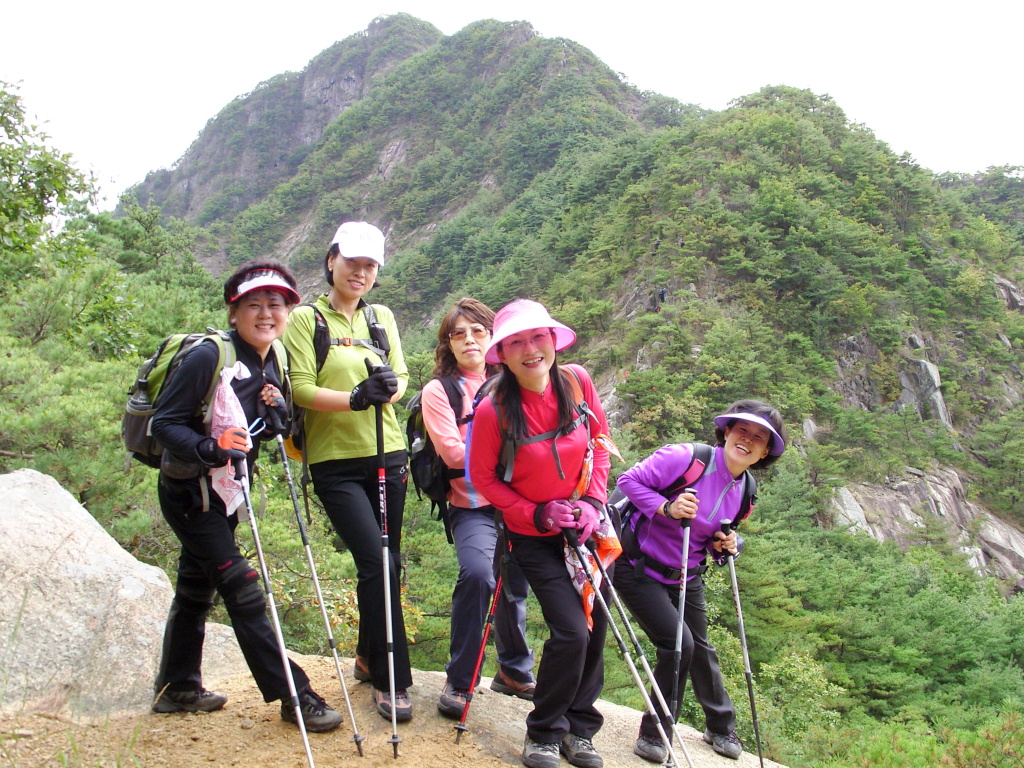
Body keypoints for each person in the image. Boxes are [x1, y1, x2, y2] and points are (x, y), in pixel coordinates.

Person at [151, 259, 343, 733]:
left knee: (196, 589)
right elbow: (165, 424)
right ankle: (295, 696)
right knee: (242, 587)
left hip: (228, 494)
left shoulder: (270, 358)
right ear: (233, 312)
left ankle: (177, 687)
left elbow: (263, 428)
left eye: (275, 305)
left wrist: (277, 413)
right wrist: (208, 448)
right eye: (253, 305)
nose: (265, 314)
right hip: (190, 495)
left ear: (287, 312)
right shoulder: (208, 357)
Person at [467, 299, 613, 768]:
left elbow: (600, 445)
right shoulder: (495, 411)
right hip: (531, 535)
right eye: (516, 342)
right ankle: (545, 732)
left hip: (582, 524)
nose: (530, 350)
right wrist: (536, 513)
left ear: (553, 341)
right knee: (571, 631)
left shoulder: (577, 382)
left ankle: (580, 729)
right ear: (502, 354)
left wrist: (592, 501)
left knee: (597, 621)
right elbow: (484, 480)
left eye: (537, 338)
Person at [282, 221, 414, 722]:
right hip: (334, 462)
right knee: (376, 560)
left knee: (386, 563)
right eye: (352, 262)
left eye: (370, 265)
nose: (360, 272)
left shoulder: (381, 317)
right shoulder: (305, 320)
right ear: (331, 259)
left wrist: (387, 389)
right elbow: (300, 388)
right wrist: (356, 398)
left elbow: (401, 376)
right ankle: (391, 678)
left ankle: (366, 655)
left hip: (388, 454)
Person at [614, 399, 788, 762]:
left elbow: (717, 539)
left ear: (765, 451)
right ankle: (656, 732)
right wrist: (667, 507)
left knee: (701, 647)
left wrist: (728, 544)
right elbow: (628, 481)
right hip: (636, 565)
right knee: (680, 644)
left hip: (685, 573)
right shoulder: (686, 458)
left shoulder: (746, 491)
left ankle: (720, 725)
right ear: (726, 431)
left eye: (759, 437)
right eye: (742, 430)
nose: (747, 440)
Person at [419, 298, 536, 720]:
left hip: (522, 503)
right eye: (458, 334)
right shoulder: (441, 390)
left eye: (478, 331)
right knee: (479, 575)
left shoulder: (515, 381)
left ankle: (514, 670)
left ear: (493, 338)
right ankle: (460, 678)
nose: (469, 340)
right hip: (472, 504)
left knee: (514, 583)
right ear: (447, 344)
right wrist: (511, 456)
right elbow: (451, 453)